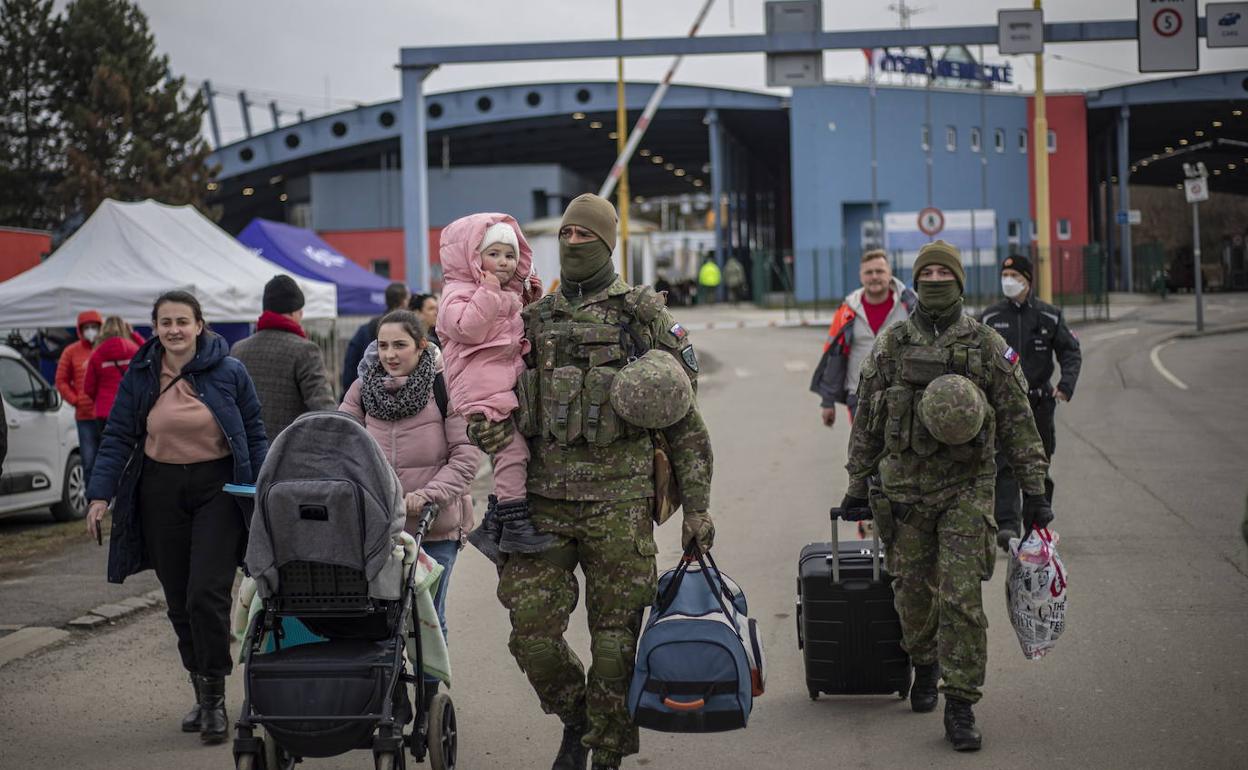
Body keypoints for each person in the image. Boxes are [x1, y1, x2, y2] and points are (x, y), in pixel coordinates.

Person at [474, 193, 714, 770]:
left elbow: (683, 417)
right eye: (566, 235)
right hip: (543, 505)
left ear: (608, 241)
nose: (574, 244)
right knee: (532, 636)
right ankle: (577, 718)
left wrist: (698, 510)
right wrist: (486, 429)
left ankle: (605, 749)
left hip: (620, 504)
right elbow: (490, 392)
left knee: (613, 643)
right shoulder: (533, 317)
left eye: (585, 235)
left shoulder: (640, 314)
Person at [842, 240, 1050, 753]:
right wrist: (856, 485)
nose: (935, 279)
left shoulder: (983, 344)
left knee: (961, 599)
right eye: (926, 271)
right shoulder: (891, 345)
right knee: (911, 595)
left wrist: (1034, 492)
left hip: (965, 490)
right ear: (917, 280)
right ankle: (923, 659)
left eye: (943, 271)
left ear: (958, 280)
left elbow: (1019, 422)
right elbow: (868, 420)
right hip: (904, 494)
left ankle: (961, 703)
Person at [84, 290, 266, 745]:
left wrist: (264, 488)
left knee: (207, 591)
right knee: (179, 599)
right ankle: (201, 688)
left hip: (218, 490)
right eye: (165, 322)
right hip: (159, 491)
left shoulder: (229, 371)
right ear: (155, 328)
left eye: (182, 321)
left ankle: (215, 699)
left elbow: (256, 433)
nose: (174, 330)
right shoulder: (141, 374)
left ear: (200, 325)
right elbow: (119, 435)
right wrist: (99, 494)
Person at [338, 309, 479, 721]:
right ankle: (392, 691)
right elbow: (343, 443)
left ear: (421, 346)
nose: (390, 354)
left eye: (400, 345)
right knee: (383, 616)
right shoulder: (363, 389)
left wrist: (425, 495)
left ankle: (429, 700)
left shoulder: (443, 387)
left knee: (427, 616)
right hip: (379, 528)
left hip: (435, 526)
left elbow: (466, 456)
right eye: (383, 345)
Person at [436, 213, 553, 559]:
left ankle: (495, 524)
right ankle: (513, 524)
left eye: (510, 256)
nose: (503, 263)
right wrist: (489, 291)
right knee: (511, 452)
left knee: (516, 453)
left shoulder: (503, 293)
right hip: (480, 389)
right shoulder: (457, 294)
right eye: (494, 254)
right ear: (473, 256)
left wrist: (527, 298)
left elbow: (512, 330)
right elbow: (467, 328)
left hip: (501, 385)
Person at [979, 254, 1082, 548]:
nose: (1008, 281)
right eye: (1005, 275)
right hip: (1003, 405)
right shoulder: (990, 319)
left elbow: (1070, 352)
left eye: (1015, 276)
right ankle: (1007, 526)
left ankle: (1036, 526)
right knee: (1005, 464)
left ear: (1028, 281)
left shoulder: (1049, 316)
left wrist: (1065, 386)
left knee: (1039, 464)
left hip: (1038, 404)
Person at [811, 249, 917, 428]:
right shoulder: (847, 311)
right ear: (861, 276)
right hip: (860, 398)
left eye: (880, 271)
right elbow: (834, 357)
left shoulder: (910, 306)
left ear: (889, 273)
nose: (874, 276)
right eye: (869, 272)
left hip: (903, 396)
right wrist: (827, 402)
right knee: (864, 456)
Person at [232, 275, 337, 439]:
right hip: (289, 452)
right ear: (296, 312)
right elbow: (323, 409)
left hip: (248, 451)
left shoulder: (238, 349)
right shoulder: (305, 350)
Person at [54, 310, 103, 485]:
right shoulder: (71, 352)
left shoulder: (106, 347)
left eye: (94, 327)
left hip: (108, 415)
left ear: (100, 327)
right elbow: (61, 380)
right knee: (89, 461)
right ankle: (93, 502)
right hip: (85, 417)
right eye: (86, 327)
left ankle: (113, 500)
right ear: (80, 330)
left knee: (110, 460)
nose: (90, 330)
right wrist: (75, 400)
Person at [342, 281, 410, 392]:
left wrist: (350, 391)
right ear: (403, 302)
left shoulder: (366, 328)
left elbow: (350, 364)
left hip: (364, 391)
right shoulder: (410, 332)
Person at [83, 316, 141, 431]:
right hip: (130, 409)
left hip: (105, 411)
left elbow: (88, 388)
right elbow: (149, 355)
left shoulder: (97, 354)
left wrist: (100, 398)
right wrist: (134, 335)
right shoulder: (134, 350)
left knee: (109, 447)